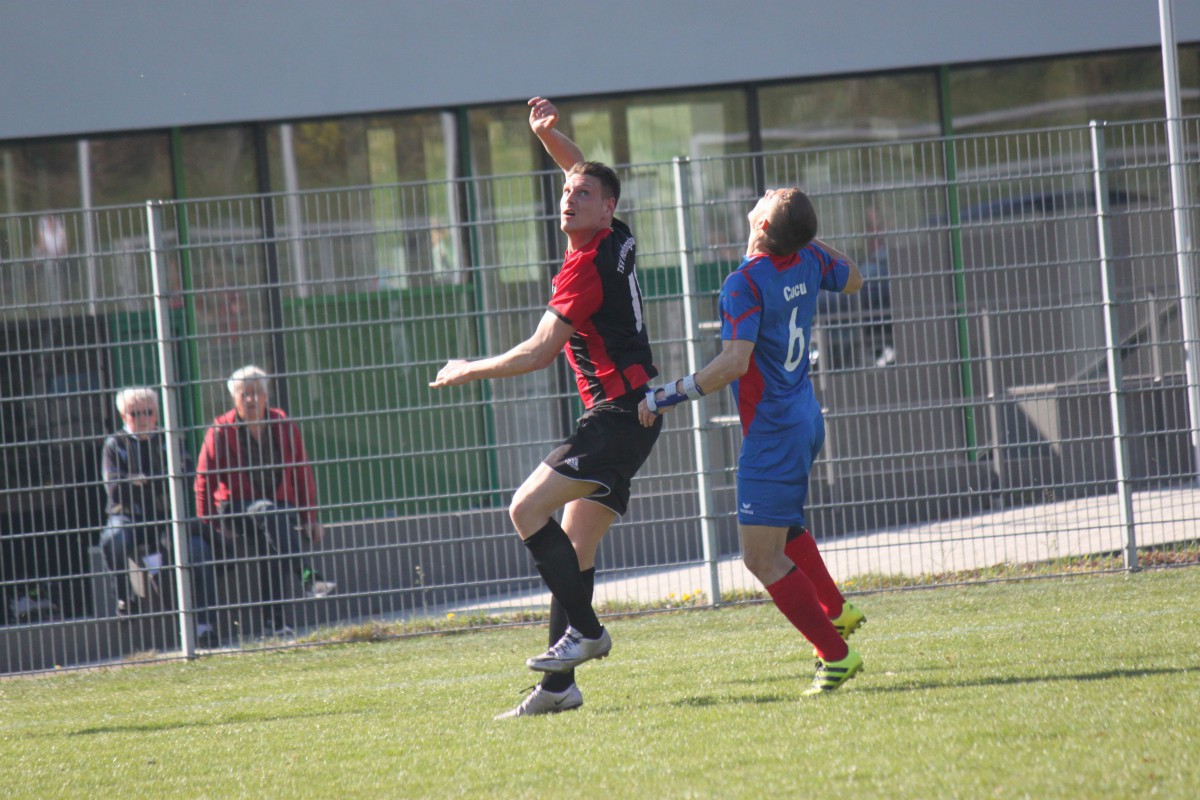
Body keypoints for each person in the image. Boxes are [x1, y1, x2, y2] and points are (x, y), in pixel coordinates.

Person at [431, 97, 662, 718]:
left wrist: (468, 367)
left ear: (605, 208)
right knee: (575, 550)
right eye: (566, 192)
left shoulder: (585, 267)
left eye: (582, 195)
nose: (569, 197)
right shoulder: (615, 234)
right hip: (634, 414)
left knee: (525, 508)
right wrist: (550, 138)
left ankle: (587, 632)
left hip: (616, 417)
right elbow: (583, 169)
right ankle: (559, 689)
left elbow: (538, 352)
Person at [638, 187, 868, 697]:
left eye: (771, 197)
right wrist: (804, 236)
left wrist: (664, 397)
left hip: (774, 431)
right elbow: (854, 278)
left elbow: (734, 363)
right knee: (782, 530)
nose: (764, 192)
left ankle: (837, 656)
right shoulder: (806, 257)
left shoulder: (744, 282)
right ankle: (837, 610)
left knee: (759, 558)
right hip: (804, 418)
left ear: (762, 225)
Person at [194, 366, 335, 638]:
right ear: (234, 398)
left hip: (279, 507)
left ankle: (276, 624)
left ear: (266, 395)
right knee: (268, 515)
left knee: (271, 531)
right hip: (237, 507)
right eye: (244, 394)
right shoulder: (220, 430)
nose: (252, 399)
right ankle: (306, 576)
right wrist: (210, 524)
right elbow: (203, 480)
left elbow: (301, 471)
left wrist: (310, 517)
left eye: (257, 393)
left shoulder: (283, 424)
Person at [99, 387, 219, 645]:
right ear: (123, 415)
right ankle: (124, 596)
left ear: (156, 414)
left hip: (166, 517)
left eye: (148, 412)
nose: (142, 418)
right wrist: (154, 480)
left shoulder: (168, 439)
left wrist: (141, 481)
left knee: (197, 549)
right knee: (114, 538)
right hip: (129, 516)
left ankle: (204, 624)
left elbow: (185, 475)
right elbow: (115, 489)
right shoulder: (114, 444)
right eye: (135, 413)